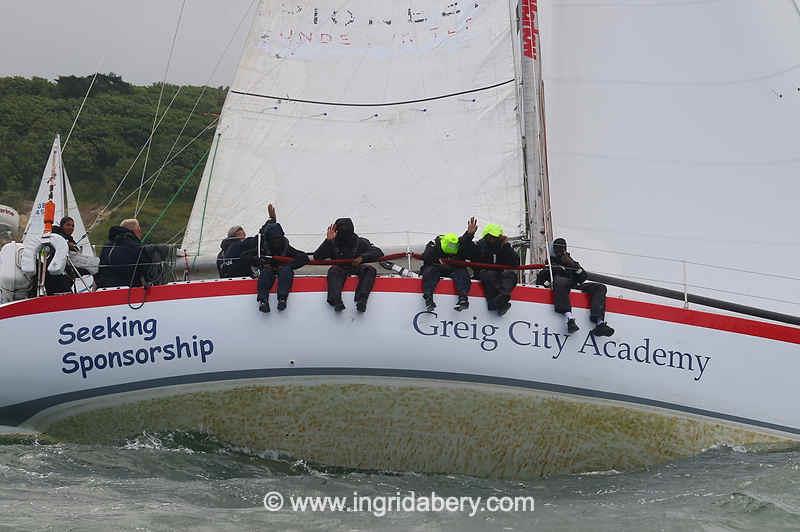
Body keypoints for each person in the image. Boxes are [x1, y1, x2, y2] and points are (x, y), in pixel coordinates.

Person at [535, 238, 614, 336]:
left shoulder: (570, 261)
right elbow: (540, 282)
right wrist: (549, 283)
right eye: (557, 248)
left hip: (574, 286)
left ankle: (599, 322)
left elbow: (583, 277)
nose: (560, 250)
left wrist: (572, 265)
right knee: (561, 281)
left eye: (563, 248)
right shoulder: (550, 264)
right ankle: (569, 318)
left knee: (600, 287)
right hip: (560, 286)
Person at [313, 218, 383, 313]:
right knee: (333, 270)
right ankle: (336, 300)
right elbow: (317, 257)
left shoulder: (360, 242)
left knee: (370, 269)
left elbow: (378, 252)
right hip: (339, 269)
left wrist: (362, 258)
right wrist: (328, 241)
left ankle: (362, 299)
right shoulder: (333, 242)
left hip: (356, 267)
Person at [256, 204, 309, 312]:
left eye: (278, 238)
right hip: (267, 271)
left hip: (283, 271)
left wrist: (288, 266)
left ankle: (282, 299)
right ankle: (263, 301)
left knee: (285, 271)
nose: (276, 241)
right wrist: (259, 261)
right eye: (273, 239)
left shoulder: (286, 248)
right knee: (266, 273)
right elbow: (246, 256)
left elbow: (304, 257)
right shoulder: (262, 247)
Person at [421, 217, 478, 311]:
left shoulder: (458, 244)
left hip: (453, 269)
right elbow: (426, 257)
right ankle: (428, 299)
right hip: (436, 268)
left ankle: (463, 299)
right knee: (430, 271)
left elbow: (464, 242)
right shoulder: (434, 245)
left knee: (462, 272)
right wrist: (438, 261)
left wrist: (469, 234)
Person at [471, 223, 519, 316]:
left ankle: (501, 298)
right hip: (483, 275)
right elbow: (467, 251)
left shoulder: (503, 247)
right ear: (486, 236)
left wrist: (506, 246)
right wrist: (469, 235)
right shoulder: (480, 246)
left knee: (511, 275)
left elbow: (515, 262)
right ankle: (497, 302)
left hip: (499, 275)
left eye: (495, 237)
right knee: (489, 274)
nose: (493, 239)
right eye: (491, 237)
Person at [97, 218, 153, 288]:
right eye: (139, 231)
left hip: (105, 289)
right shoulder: (137, 247)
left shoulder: (106, 247)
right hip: (130, 291)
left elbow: (100, 268)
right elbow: (147, 270)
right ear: (136, 231)